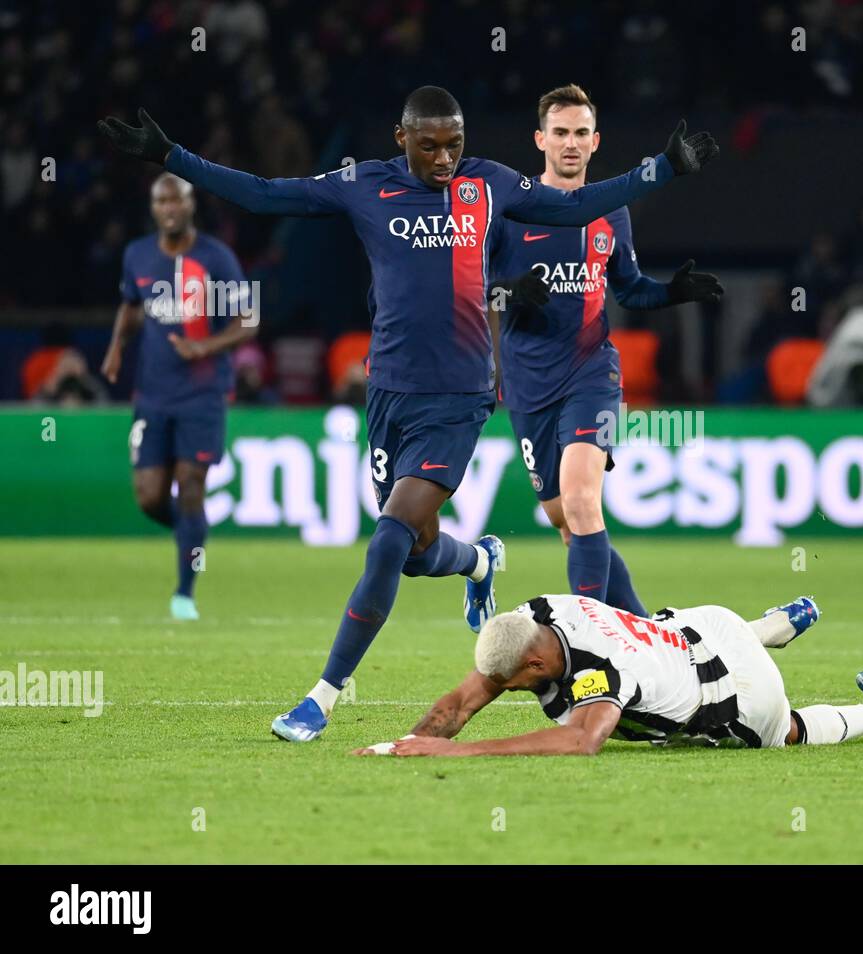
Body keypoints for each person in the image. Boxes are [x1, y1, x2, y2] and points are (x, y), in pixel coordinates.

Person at [99, 86, 718, 742]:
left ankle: (321, 698)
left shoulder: (490, 186)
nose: (446, 157)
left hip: (459, 400)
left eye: (455, 143)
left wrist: (662, 168)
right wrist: (170, 155)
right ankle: (477, 563)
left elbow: (578, 205)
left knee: (390, 537)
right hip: (390, 394)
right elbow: (263, 193)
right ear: (402, 139)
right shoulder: (364, 185)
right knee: (419, 554)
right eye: (430, 146)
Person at [488, 84, 723, 616]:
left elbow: (628, 288)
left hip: (591, 371)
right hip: (527, 384)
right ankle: (646, 633)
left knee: (580, 499)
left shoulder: (610, 214)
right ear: (540, 139)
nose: (570, 143)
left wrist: (670, 293)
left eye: (580, 134)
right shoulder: (509, 213)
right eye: (560, 133)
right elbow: (475, 289)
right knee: (568, 524)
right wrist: (508, 295)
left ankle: (594, 649)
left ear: (596, 142)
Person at [355, 594, 863, 757]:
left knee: (788, 733)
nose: (498, 691)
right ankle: (778, 624)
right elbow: (462, 700)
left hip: (741, 693)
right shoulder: (537, 617)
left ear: (535, 664)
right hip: (710, 623)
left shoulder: (597, 672)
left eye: (513, 684)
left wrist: (460, 753)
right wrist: (411, 740)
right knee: (673, 632)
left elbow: (583, 740)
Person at [100, 172, 257, 620]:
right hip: (152, 395)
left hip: (203, 395)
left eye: (177, 201)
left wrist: (204, 346)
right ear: (154, 208)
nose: (170, 209)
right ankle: (194, 534)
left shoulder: (215, 258)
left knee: (191, 486)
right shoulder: (137, 255)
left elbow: (249, 320)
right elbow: (132, 307)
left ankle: (184, 593)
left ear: (190, 206)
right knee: (149, 496)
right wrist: (116, 347)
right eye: (161, 202)